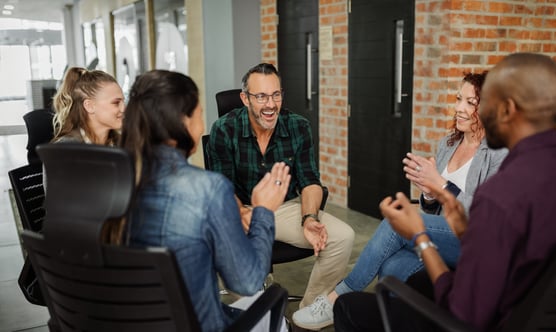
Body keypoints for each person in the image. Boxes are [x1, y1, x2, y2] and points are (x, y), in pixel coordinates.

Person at [333, 53, 556, 332]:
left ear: (506, 109)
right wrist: (462, 228)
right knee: (402, 273)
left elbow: (463, 313)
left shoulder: (501, 195)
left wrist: (421, 237)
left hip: (487, 320)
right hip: (540, 314)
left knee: (349, 307)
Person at [292, 72, 507, 330]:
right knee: (392, 267)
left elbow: (483, 214)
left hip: (474, 241)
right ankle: (395, 321)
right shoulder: (448, 144)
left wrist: (439, 185)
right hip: (441, 235)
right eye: (459, 99)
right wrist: (428, 194)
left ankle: (338, 295)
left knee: (397, 222)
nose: (459, 108)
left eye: (471, 103)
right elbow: (433, 210)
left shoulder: (498, 153)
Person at [117, 69, 291, 332]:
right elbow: (248, 282)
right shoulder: (207, 190)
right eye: (199, 114)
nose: (201, 127)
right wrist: (263, 211)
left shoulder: (110, 180)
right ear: (182, 121)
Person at [208, 63, 355, 309]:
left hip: (284, 208)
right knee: (226, 245)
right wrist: (242, 213)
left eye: (276, 95)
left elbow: (309, 180)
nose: (270, 104)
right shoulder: (224, 129)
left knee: (342, 237)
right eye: (261, 96)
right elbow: (222, 187)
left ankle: (308, 315)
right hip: (241, 209)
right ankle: (258, 316)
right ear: (245, 99)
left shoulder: (298, 126)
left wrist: (309, 218)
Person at [52, 66, 124, 144]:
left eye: (123, 101)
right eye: (116, 103)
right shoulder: (65, 150)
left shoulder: (125, 144)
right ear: (89, 106)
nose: (123, 108)